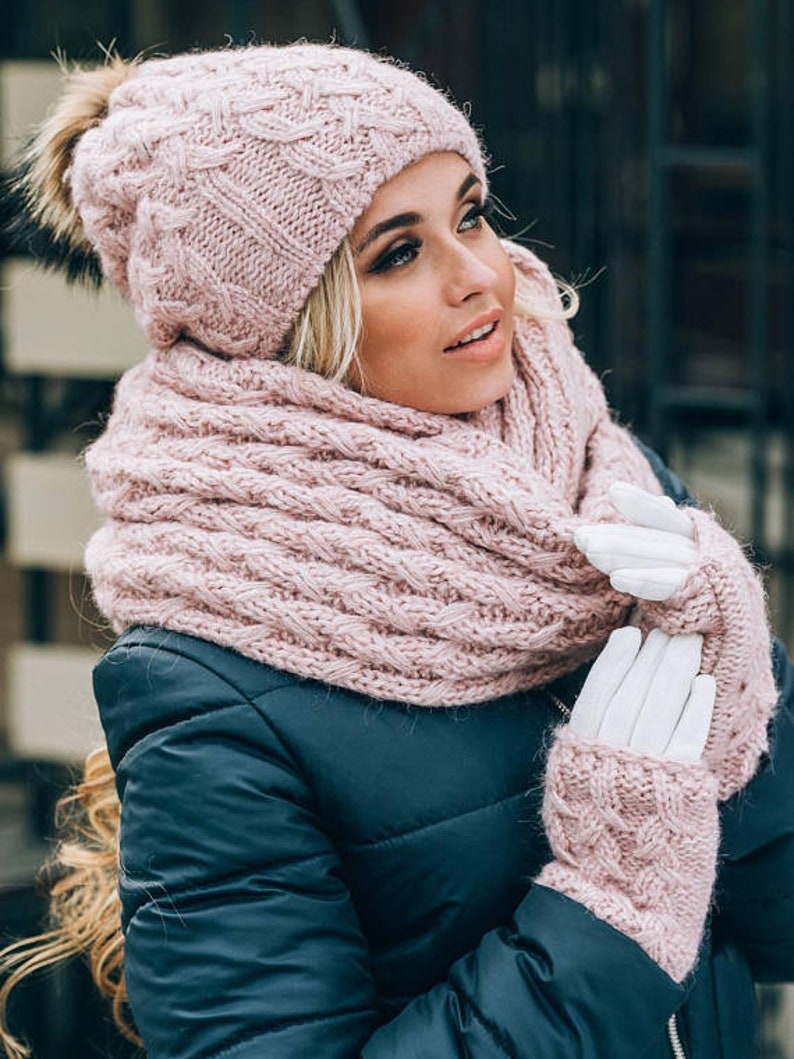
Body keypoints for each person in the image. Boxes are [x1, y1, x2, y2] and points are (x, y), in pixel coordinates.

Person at [0, 41, 792, 1059]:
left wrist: (732, 680)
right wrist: (609, 906)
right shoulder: (210, 685)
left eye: (471, 214)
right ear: (285, 328)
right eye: (397, 253)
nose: (481, 275)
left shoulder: (608, 493)